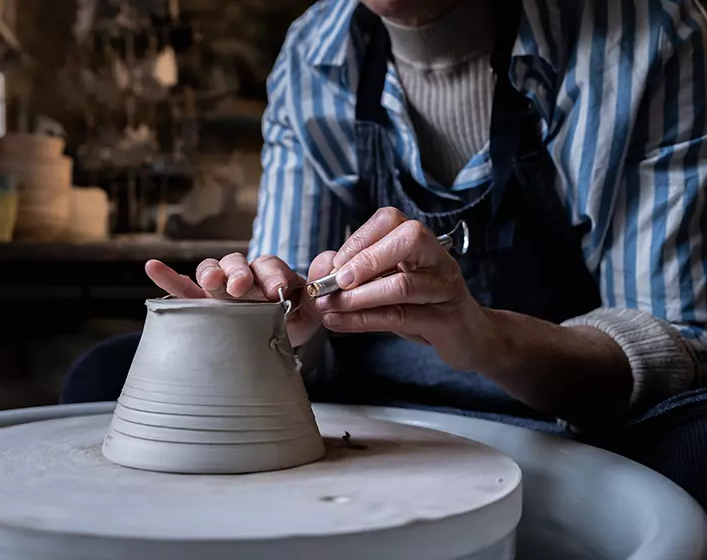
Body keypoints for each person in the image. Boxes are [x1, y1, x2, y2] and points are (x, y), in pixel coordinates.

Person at [63, 0, 707, 498]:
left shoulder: (644, 32)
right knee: (104, 378)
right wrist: (261, 315)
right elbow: (288, 335)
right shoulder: (316, 53)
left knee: (698, 446)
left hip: (565, 412)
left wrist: (487, 337)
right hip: (372, 400)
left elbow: (680, 350)